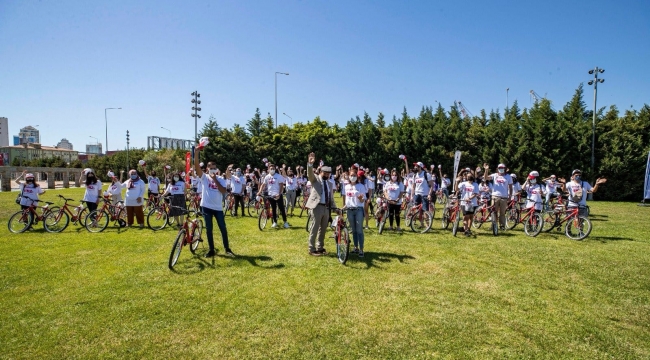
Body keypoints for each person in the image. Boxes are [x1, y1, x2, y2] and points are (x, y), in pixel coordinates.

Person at [194, 147, 234, 257]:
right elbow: (197, 166)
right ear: (207, 169)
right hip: (206, 207)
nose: (213, 169)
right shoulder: (204, 177)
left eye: (214, 168)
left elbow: (223, 191)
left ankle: (227, 248)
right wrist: (196, 153)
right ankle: (211, 249)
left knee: (223, 228)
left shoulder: (221, 178)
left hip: (218, 208)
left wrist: (215, 179)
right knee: (209, 229)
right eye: (211, 168)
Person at [305, 152, 335, 256]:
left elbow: (331, 198)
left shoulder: (330, 184)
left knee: (323, 229)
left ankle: (320, 247)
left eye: (328, 173)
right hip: (316, 207)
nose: (326, 175)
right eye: (325, 173)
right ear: (321, 172)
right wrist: (310, 164)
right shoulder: (316, 180)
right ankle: (311, 249)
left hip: (326, 208)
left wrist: (335, 208)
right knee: (314, 228)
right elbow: (310, 174)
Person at [258, 163, 291, 228]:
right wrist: (259, 192)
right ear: (268, 169)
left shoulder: (278, 176)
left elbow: (281, 185)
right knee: (273, 209)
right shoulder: (267, 177)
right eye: (271, 169)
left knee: (282, 209)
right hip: (270, 195)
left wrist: (279, 193)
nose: (272, 170)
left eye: (273, 169)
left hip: (277, 195)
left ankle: (285, 222)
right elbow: (263, 185)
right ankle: (275, 222)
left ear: (275, 169)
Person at [483, 163, 513, 231]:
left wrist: (510, 196)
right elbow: (485, 178)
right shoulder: (494, 175)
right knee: (494, 212)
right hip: (495, 196)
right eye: (500, 168)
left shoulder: (508, 177)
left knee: (502, 212)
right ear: (497, 169)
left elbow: (510, 187)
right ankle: (493, 225)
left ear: (505, 169)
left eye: (502, 168)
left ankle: (502, 226)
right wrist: (486, 170)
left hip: (504, 197)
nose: (501, 169)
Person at [345, 170, 367, 257]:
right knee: (353, 230)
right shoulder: (346, 186)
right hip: (349, 210)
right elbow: (346, 199)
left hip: (358, 210)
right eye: (351, 175)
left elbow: (363, 200)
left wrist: (360, 198)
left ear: (357, 177)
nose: (352, 177)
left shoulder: (361, 186)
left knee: (359, 230)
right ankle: (355, 247)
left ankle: (361, 249)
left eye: (354, 175)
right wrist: (344, 207)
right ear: (349, 176)